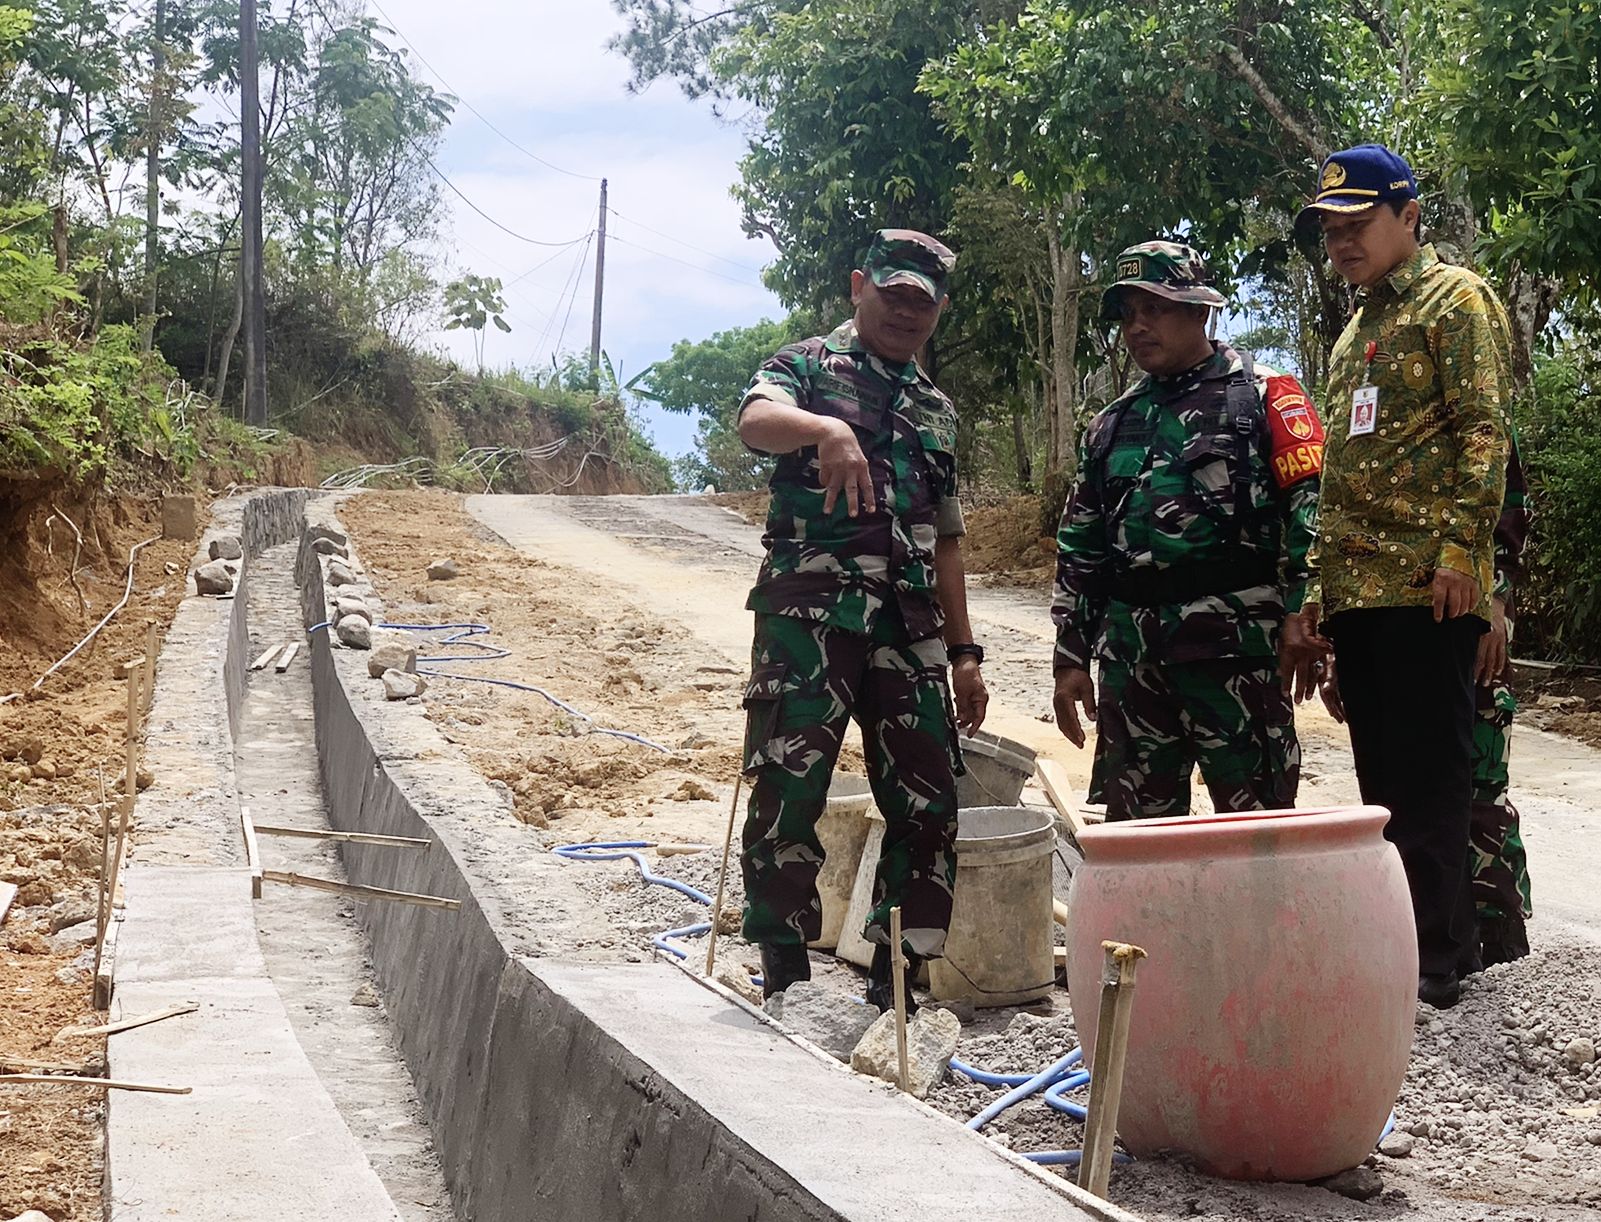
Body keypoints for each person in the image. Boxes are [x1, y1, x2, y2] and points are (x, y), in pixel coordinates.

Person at [734, 229, 988, 1010]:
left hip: (906, 627)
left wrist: (964, 652)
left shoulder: (937, 413)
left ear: (937, 309)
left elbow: (946, 542)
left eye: (922, 301)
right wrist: (826, 428)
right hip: (811, 612)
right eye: (893, 294)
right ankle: (782, 966)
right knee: (790, 783)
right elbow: (754, 419)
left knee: (928, 798)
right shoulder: (803, 366)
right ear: (857, 287)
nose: (905, 312)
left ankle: (899, 975)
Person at [1287, 143, 1512, 1009]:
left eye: (1357, 223)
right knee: (1381, 783)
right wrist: (1316, 592)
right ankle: (1400, 952)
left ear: (1407, 217)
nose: (1341, 242)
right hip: (1359, 590)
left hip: (1426, 584)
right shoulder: (1355, 328)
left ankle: (1439, 962)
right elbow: (1340, 473)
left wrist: (1463, 554)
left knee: (1430, 779)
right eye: (1330, 229)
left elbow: (1482, 430)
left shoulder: (1453, 299)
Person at [1051, 241, 1326, 818]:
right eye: (1127, 314)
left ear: (1199, 311)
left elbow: (1312, 514)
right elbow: (1082, 546)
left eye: (1155, 308)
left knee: (1258, 837)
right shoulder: (1111, 423)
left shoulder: (1264, 395)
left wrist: (1304, 615)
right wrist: (1071, 656)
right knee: (1139, 846)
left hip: (1237, 659)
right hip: (1135, 669)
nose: (1137, 327)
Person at [1320, 441, 1536, 968]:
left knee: (1477, 786)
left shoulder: (1475, 418)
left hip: (1471, 612)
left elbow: (1507, 517)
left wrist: (1496, 608)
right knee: (1409, 791)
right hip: (1397, 615)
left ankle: (1499, 937)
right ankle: (1427, 943)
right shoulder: (1381, 430)